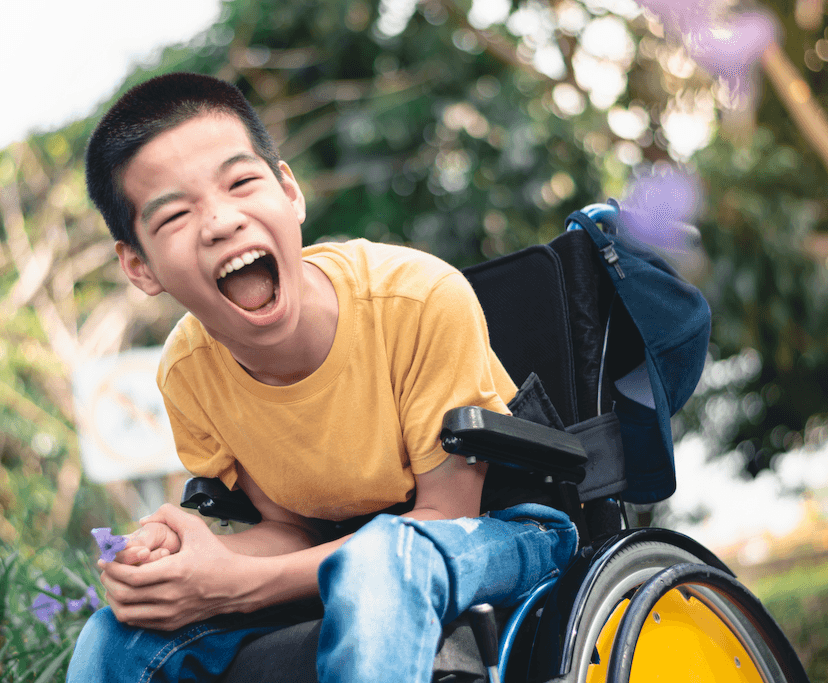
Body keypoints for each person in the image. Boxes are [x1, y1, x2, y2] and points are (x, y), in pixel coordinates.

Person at [66, 71, 577, 683]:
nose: (221, 221)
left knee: (379, 564)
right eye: (175, 215)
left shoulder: (420, 298)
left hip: (500, 530)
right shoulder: (188, 373)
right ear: (139, 266)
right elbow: (287, 530)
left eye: (241, 182)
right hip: (344, 551)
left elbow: (444, 518)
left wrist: (237, 586)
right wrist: (185, 563)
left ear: (290, 192)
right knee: (115, 636)